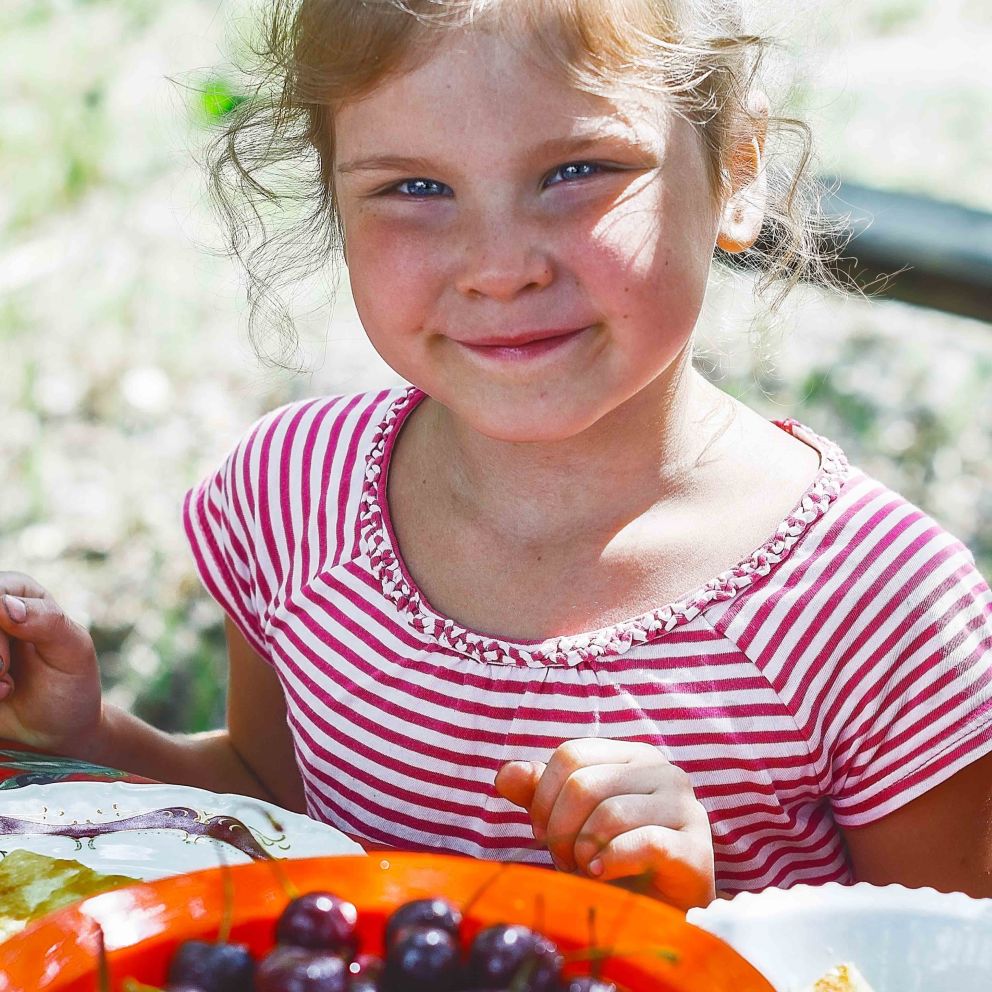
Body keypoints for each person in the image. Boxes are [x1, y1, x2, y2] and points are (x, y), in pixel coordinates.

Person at [1, 0, 991, 912]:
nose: (498, 265)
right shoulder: (292, 495)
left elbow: (938, 957)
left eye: (575, 171)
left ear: (735, 167)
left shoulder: (876, 603)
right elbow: (272, 812)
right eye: (415, 187)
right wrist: (86, 741)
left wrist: (690, 920)